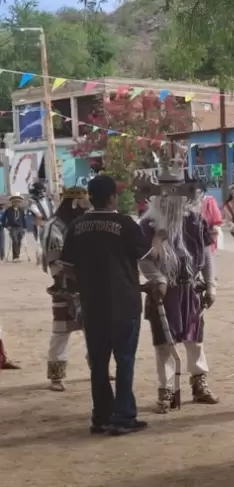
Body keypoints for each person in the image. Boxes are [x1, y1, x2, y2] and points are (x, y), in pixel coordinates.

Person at [58, 174, 149, 435]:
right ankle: (123, 417)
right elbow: (147, 256)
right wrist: (159, 241)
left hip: (93, 304)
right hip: (124, 303)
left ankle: (101, 415)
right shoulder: (125, 224)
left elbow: (68, 268)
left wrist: (87, 282)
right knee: (124, 360)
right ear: (111, 197)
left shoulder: (77, 226)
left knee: (98, 363)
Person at [136, 166, 220, 413]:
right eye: (165, 191)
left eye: (175, 191)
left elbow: (206, 255)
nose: (170, 197)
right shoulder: (147, 225)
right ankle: (167, 389)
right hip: (163, 292)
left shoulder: (195, 221)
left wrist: (211, 285)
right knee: (164, 343)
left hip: (190, 289)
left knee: (195, 339)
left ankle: (199, 383)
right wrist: (159, 279)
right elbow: (142, 259)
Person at [41, 186, 92, 390]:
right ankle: (56, 375)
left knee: (93, 328)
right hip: (64, 285)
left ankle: (98, 367)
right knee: (61, 331)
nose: (85, 209)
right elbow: (54, 260)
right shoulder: (53, 226)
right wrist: (67, 277)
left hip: (88, 285)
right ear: (74, 203)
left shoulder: (85, 223)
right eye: (82, 205)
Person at [194, 182, 224, 254]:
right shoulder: (190, 202)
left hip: (207, 234)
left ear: (202, 192)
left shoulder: (209, 200)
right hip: (194, 234)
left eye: (198, 192)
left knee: (207, 256)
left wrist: (215, 228)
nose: (195, 194)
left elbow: (216, 217)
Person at [28, 181, 53, 265]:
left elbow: (53, 209)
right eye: (42, 190)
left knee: (50, 240)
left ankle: (49, 257)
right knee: (40, 241)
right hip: (40, 223)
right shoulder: (32, 200)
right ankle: (40, 258)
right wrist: (39, 216)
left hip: (50, 222)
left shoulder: (48, 199)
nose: (43, 192)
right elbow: (35, 211)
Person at [2, 193, 28, 262]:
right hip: (12, 227)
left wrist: (25, 228)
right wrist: (6, 226)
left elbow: (24, 219)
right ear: (12, 202)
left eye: (17, 201)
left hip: (20, 227)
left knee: (19, 241)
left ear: (19, 202)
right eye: (15, 201)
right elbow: (3, 219)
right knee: (15, 240)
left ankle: (17, 256)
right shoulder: (8, 210)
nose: (16, 203)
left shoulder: (21, 210)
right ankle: (15, 257)